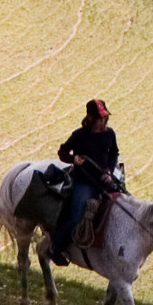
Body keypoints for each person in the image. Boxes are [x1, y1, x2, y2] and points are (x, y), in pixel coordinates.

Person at [47, 98, 123, 266]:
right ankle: (55, 247)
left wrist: (109, 172)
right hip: (84, 182)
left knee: (123, 205)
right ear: (90, 117)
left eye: (104, 117)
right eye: (99, 118)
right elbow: (63, 151)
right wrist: (74, 159)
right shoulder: (79, 135)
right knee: (76, 218)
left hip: (103, 180)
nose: (102, 121)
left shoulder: (109, 134)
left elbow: (114, 154)